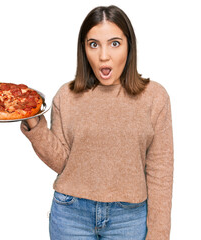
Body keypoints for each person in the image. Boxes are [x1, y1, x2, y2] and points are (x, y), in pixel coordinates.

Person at [21, 5, 174, 240]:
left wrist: (159, 234)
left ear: (129, 46)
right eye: (94, 44)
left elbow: (160, 172)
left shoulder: (155, 97)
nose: (104, 55)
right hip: (70, 215)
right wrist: (32, 119)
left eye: (114, 43)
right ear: (84, 49)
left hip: (129, 219)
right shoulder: (66, 95)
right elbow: (63, 162)